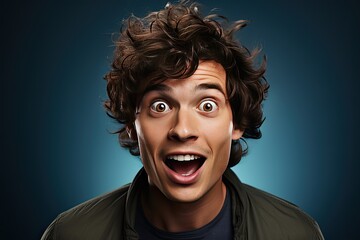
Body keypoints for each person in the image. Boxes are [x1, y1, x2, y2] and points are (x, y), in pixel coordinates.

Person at [41, 1, 324, 239]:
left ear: (236, 123)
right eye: (160, 106)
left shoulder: (295, 232)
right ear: (132, 122)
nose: (183, 129)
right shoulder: (70, 233)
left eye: (207, 104)